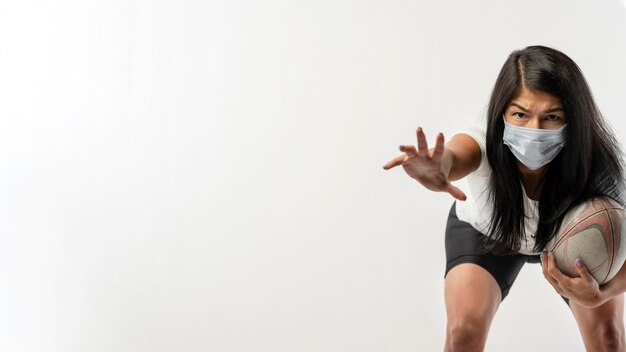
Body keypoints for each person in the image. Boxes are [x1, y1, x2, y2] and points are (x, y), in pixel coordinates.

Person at [383, 45, 626, 352]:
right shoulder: (483, 141)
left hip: (571, 244)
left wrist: (603, 293)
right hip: (486, 233)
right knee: (463, 334)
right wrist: (437, 168)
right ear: (502, 113)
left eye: (552, 116)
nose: (534, 130)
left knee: (609, 338)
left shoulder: (598, 168)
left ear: (574, 119)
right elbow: (456, 154)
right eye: (520, 114)